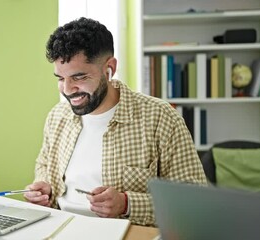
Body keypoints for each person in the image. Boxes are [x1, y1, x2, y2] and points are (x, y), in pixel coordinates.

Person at [24, 17, 207, 226]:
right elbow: (45, 164)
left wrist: (126, 204)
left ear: (109, 68)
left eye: (79, 77)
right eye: (60, 78)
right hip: (60, 228)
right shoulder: (58, 116)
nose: (67, 89)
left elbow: (195, 203)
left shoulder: (161, 118)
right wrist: (44, 187)